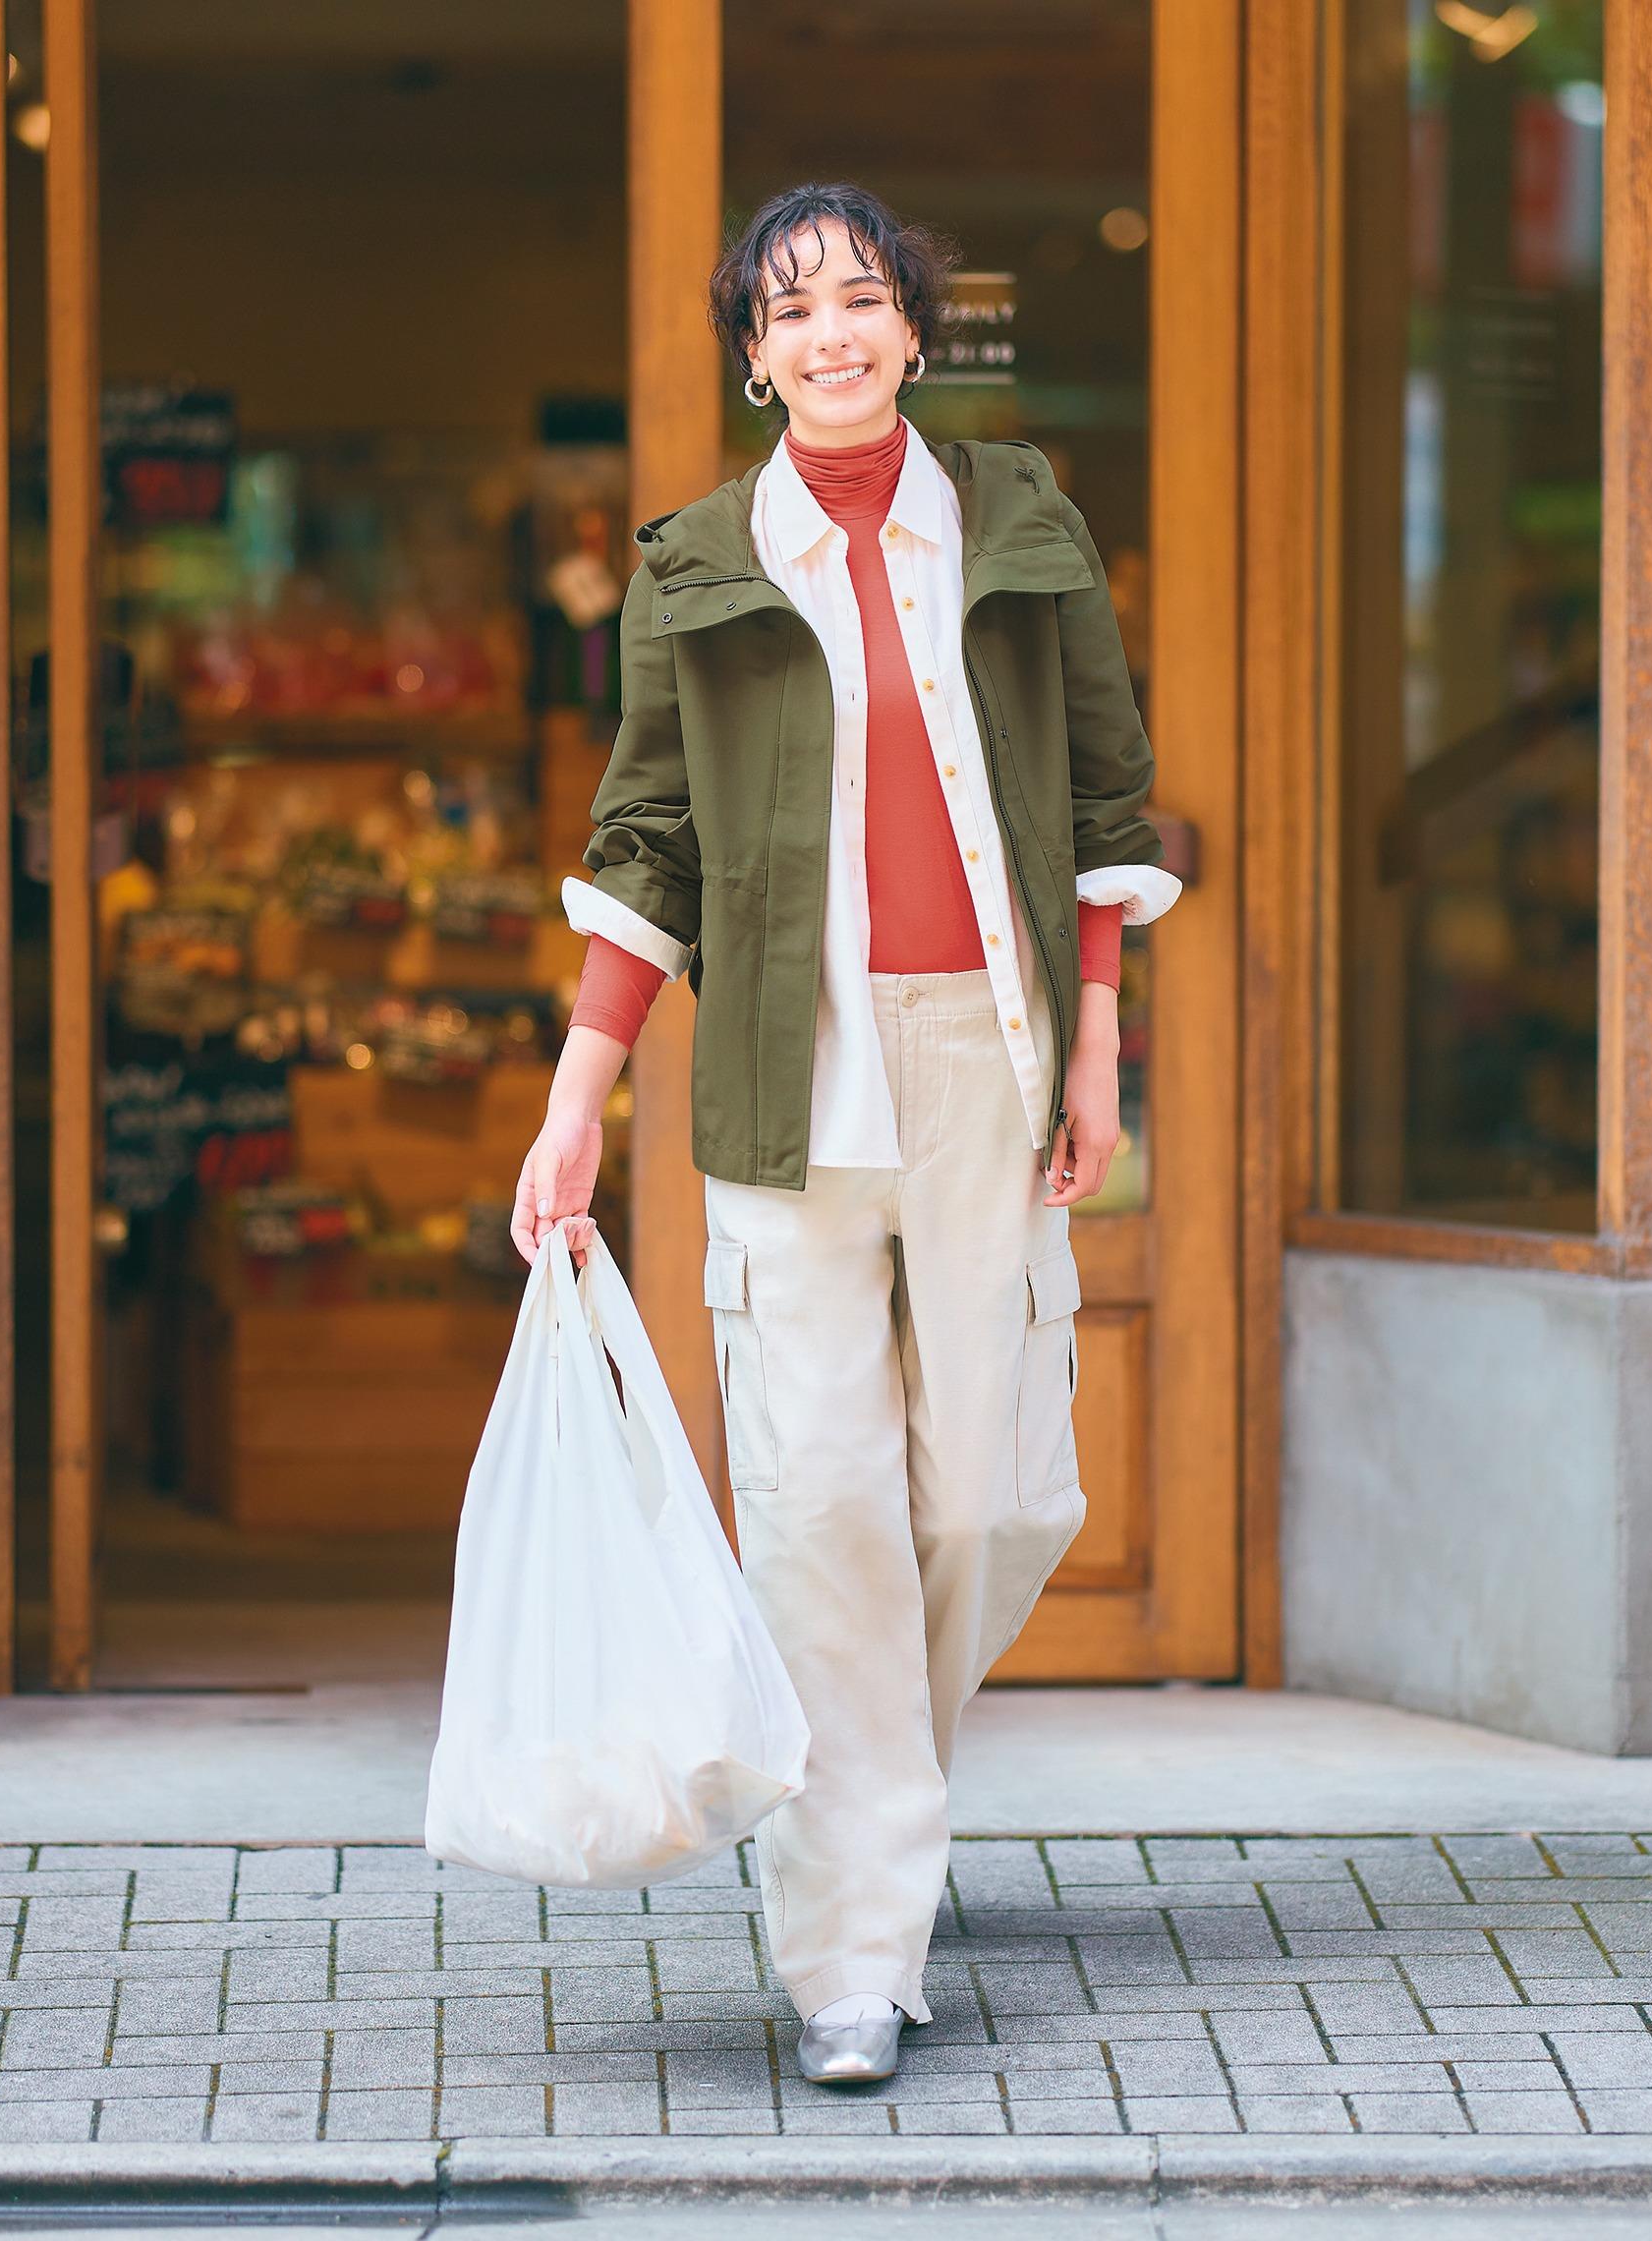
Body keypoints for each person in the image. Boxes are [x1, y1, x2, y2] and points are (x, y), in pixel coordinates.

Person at [509, 182, 1180, 2087]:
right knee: (821, 1518)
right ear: (751, 355)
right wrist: (576, 1112)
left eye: (862, 297)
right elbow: (645, 850)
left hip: (989, 1052)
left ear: (914, 329)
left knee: (987, 1494)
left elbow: (1108, 796)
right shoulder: (700, 565)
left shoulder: (1022, 519)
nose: (830, 331)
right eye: (791, 308)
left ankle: (872, 1776)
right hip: (782, 1083)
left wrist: (1102, 1049)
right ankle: (851, 1958)